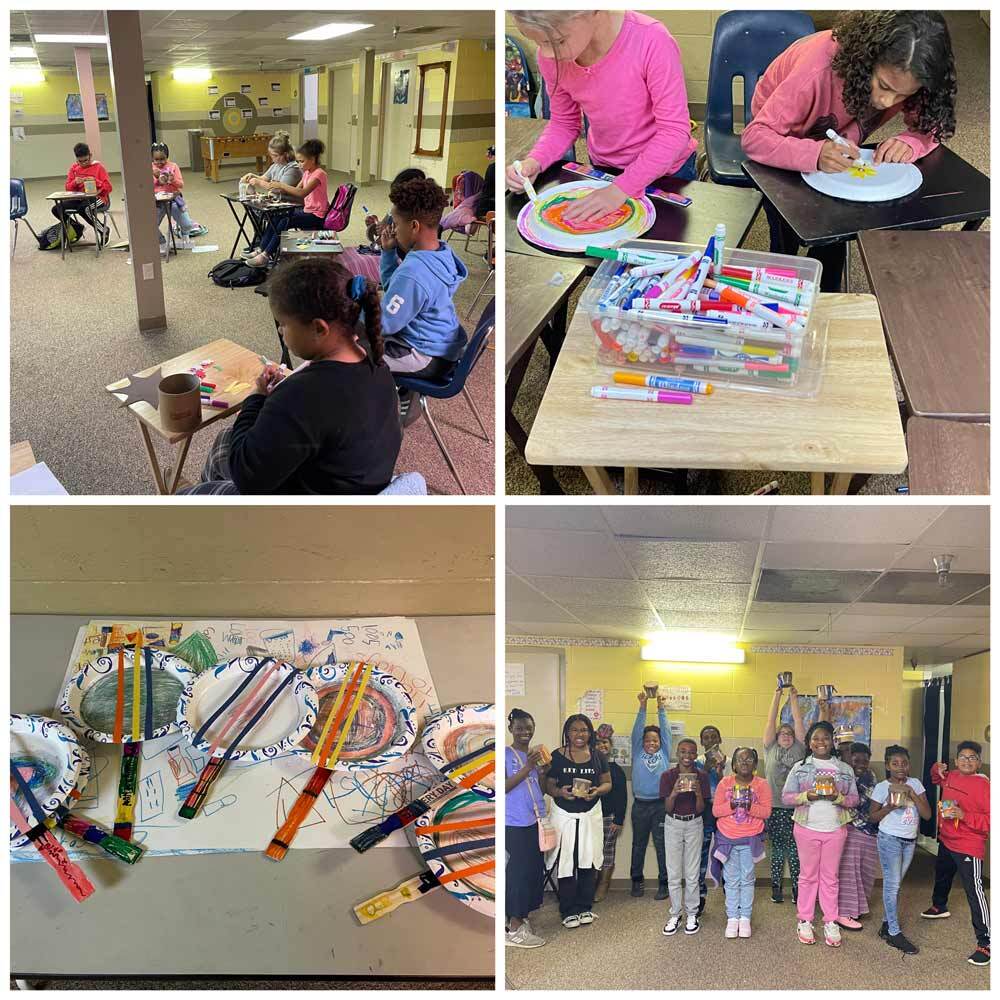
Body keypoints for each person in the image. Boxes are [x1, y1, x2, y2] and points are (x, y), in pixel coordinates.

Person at [741, 11, 957, 292]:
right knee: (787, 233)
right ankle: (782, 269)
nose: (885, 101)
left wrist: (912, 140)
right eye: (883, 86)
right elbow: (755, 139)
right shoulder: (816, 69)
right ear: (867, 60)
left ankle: (827, 286)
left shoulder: (912, 72)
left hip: (837, 137)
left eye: (902, 95)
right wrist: (815, 154)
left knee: (836, 229)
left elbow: (933, 122)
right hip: (780, 140)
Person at [182, 258, 401, 495]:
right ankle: (208, 493)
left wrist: (256, 398)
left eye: (284, 324)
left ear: (319, 328)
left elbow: (247, 480)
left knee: (184, 498)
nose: (280, 330)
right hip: (352, 489)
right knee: (227, 437)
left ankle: (201, 503)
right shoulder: (376, 364)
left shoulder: (302, 395)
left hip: (307, 517)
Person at [506, 11, 696, 225]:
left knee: (663, 249)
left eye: (558, 41)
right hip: (605, 169)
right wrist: (535, 161)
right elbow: (564, 123)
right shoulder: (552, 57)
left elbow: (674, 132)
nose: (548, 54)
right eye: (538, 42)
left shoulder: (652, 40)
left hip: (668, 173)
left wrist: (622, 188)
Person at [379, 177, 468, 377]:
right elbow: (395, 289)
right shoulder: (441, 254)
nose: (394, 230)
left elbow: (385, 323)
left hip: (424, 355)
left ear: (414, 226)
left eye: (397, 224)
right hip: (443, 347)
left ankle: (389, 402)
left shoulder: (414, 272)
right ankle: (403, 396)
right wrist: (388, 253)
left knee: (349, 354)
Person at [781, 720, 859, 948]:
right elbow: (787, 797)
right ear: (809, 742)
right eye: (815, 738)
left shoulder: (845, 769)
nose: (820, 742)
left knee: (830, 878)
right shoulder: (800, 767)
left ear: (833, 741)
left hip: (835, 829)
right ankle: (804, 920)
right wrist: (808, 796)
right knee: (807, 877)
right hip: (806, 828)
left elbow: (854, 800)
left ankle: (830, 921)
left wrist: (838, 797)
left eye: (825, 737)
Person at [922, 741, 990, 967]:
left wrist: (964, 814)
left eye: (972, 758)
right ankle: (939, 905)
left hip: (969, 846)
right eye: (963, 757)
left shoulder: (986, 785)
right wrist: (935, 768)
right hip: (947, 839)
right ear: (956, 759)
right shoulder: (950, 776)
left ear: (979, 762)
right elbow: (935, 778)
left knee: (974, 891)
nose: (967, 761)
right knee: (942, 874)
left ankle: (986, 942)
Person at [545, 714, 612, 928]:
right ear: (567, 733)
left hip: (589, 815)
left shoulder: (597, 756)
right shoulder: (557, 756)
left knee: (587, 860)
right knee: (566, 863)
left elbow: (607, 783)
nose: (579, 734)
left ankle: (584, 907)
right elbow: (548, 786)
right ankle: (568, 910)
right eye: (574, 730)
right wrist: (560, 792)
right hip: (563, 816)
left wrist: (596, 791)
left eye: (583, 730)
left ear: (590, 733)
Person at [869, 745, 932, 954]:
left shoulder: (915, 784)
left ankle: (886, 925)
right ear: (887, 766)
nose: (900, 767)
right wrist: (889, 807)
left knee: (895, 885)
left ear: (909, 764)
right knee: (893, 885)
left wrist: (912, 794)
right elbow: (872, 817)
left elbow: (927, 815)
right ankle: (894, 933)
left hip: (910, 841)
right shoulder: (881, 787)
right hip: (889, 839)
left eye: (904, 763)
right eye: (895, 763)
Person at [711, 747, 772, 939]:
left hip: (750, 839)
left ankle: (745, 917)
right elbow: (716, 811)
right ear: (734, 764)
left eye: (749, 760)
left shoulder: (761, 784)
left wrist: (748, 805)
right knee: (731, 880)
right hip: (727, 838)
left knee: (747, 879)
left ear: (755, 764)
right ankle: (732, 918)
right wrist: (732, 804)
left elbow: (766, 812)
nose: (744, 763)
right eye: (740, 760)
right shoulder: (725, 783)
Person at [244, 138, 329, 267]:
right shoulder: (307, 172)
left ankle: (265, 255)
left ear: (312, 159)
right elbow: (297, 189)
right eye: (298, 161)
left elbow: (302, 193)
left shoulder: (319, 174)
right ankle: (260, 249)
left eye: (302, 161)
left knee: (285, 220)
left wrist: (281, 185)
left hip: (317, 215)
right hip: (307, 211)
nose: (299, 165)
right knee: (276, 216)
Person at [505, 708, 549, 949]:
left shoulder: (533, 755)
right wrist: (526, 768)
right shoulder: (504, 754)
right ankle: (513, 928)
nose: (525, 732)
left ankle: (522, 919)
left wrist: (542, 772)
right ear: (511, 729)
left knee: (533, 872)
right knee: (518, 874)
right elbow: (501, 788)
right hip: (514, 822)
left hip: (536, 821)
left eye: (529, 727)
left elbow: (539, 789)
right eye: (520, 728)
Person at [660, 737, 711, 936]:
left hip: (694, 823)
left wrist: (698, 793)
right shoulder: (668, 775)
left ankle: (692, 913)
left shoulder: (702, 776)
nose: (687, 756)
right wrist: (674, 792)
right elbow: (667, 807)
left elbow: (701, 809)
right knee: (673, 872)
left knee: (692, 872)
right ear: (677, 754)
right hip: (673, 823)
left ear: (695, 754)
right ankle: (675, 913)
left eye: (691, 752)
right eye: (683, 752)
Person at [762, 685, 806, 903]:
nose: (787, 735)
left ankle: (798, 888)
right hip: (776, 807)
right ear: (776, 737)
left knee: (796, 851)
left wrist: (794, 697)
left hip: (797, 808)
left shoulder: (799, 750)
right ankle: (776, 887)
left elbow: (798, 723)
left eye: (790, 733)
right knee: (778, 849)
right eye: (782, 733)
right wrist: (777, 693)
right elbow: (770, 722)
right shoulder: (770, 748)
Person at [629, 690, 672, 899]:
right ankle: (636, 881)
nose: (652, 743)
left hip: (660, 806)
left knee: (662, 845)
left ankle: (664, 883)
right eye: (648, 740)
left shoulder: (665, 752)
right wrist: (643, 706)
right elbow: (637, 731)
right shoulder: (637, 751)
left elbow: (666, 732)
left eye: (655, 741)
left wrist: (661, 707)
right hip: (640, 806)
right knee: (638, 845)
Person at [835, 742, 880, 931]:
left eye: (865, 760)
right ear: (848, 759)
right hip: (851, 829)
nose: (861, 763)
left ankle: (858, 908)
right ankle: (845, 911)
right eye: (856, 760)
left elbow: (869, 805)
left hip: (870, 830)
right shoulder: (843, 774)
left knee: (865, 872)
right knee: (849, 872)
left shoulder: (871, 776)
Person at [695, 723, 729, 912]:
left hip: (725, 813)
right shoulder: (697, 762)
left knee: (727, 853)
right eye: (706, 738)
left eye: (713, 737)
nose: (710, 741)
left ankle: (730, 893)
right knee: (702, 853)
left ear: (720, 739)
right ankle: (700, 896)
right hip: (705, 811)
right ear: (701, 741)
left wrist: (721, 772)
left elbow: (733, 788)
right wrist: (706, 771)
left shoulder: (731, 761)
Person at [52, 142, 112, 246]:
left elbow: (108, 188)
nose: (83, 163)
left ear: (90, 155)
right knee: (57, 209)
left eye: (86, 160)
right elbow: (68, 188)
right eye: (80, 161)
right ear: (76, 159)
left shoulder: (98, 167)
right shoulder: (74, 168)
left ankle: (103, 230)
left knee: (85, 208)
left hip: (98, 198)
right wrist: (75, 182)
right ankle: (76, 227)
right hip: (79, 198)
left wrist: (96, 181)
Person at [594, 724, 626, 902]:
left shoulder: (616, 770)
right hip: (590, 817)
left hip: (609, 818)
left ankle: (603, 885)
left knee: (607, 851)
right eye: (598, 743)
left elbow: (622, 797)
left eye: (605, 742)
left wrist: (619, 820)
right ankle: (590, 883)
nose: (602, 746)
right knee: (591, 851)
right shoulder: (589, 767)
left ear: (610, 746)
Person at [151, 142, 207, 242]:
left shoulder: (173, 166)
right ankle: (161, 242)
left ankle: (184, 234)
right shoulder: (150, 168)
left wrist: (172, 180)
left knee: (187, 224)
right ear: (152, 159)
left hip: (173, 201)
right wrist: (156, 178)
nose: (159, 162)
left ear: (167, 157)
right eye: (156, 160)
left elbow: (181, 185)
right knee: (149, 226)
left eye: (162, 159)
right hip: (157, 203)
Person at [241, 130, 304, 204]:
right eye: (271, 155)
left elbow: (279, 189)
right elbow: (264, 178)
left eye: (275, 155)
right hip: (277, 201)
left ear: (285, 154)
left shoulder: (293, 168)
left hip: (289, 204)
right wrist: (252, 176)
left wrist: (259, 182)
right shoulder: (276, 165)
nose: (272, 158)